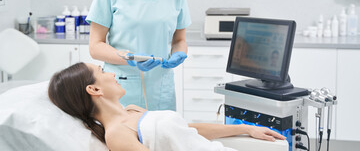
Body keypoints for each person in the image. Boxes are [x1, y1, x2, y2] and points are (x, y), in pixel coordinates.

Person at [48, 62, 287, 151]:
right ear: (94, 90)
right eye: (102, 72)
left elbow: (188, 129)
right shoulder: (117, 135)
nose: (111, 73)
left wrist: (246, 129)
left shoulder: (132, 111)